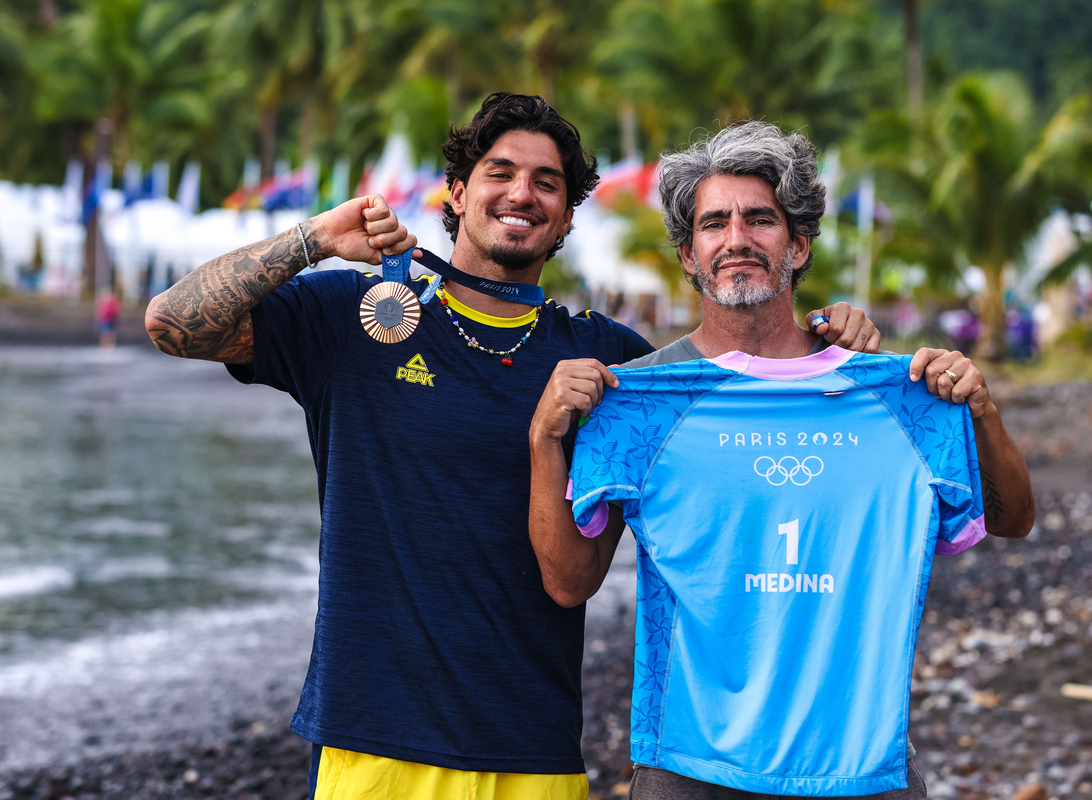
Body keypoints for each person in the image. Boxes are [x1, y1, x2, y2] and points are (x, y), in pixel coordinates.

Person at [144, 94, 880, 800]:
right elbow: (174, 324)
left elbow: (741, 406)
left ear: (564, 216)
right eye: (499, 172)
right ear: (457, 193)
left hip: (531, 744)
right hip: (374, 737)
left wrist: (822, 342)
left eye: (546, 183)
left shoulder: (605, 361)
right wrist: (311, 241)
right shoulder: (359, 315)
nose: (521, 193)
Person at [528, 122, 1036, 799]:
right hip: (690, 763)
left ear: (796, 245)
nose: (736, 238)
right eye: (714, 223)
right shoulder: (640, 398)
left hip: (862, 760)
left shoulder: (890, 393)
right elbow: (569, 582)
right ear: (688, 254)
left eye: (759, 220)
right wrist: (543, 441)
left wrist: (981, 413)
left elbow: (1011, 520)